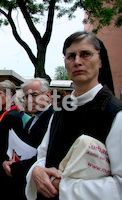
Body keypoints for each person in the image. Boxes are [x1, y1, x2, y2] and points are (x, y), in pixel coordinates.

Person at [26, 31, 122, 200]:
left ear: (100, 61)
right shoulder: (60, 111)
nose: (77, 62)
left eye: (85, 54)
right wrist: (37, 171)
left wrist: (63, 187)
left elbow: (119, 185)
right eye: (71, 56)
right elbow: (42, 156)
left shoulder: (115, 114)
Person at [2, 79, 54, 200]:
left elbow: (46, 157)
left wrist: (14, 167)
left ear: (47, 96)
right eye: (26, 96)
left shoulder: (54, 119)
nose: (29, 101)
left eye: (34, 95)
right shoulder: (32, 119)